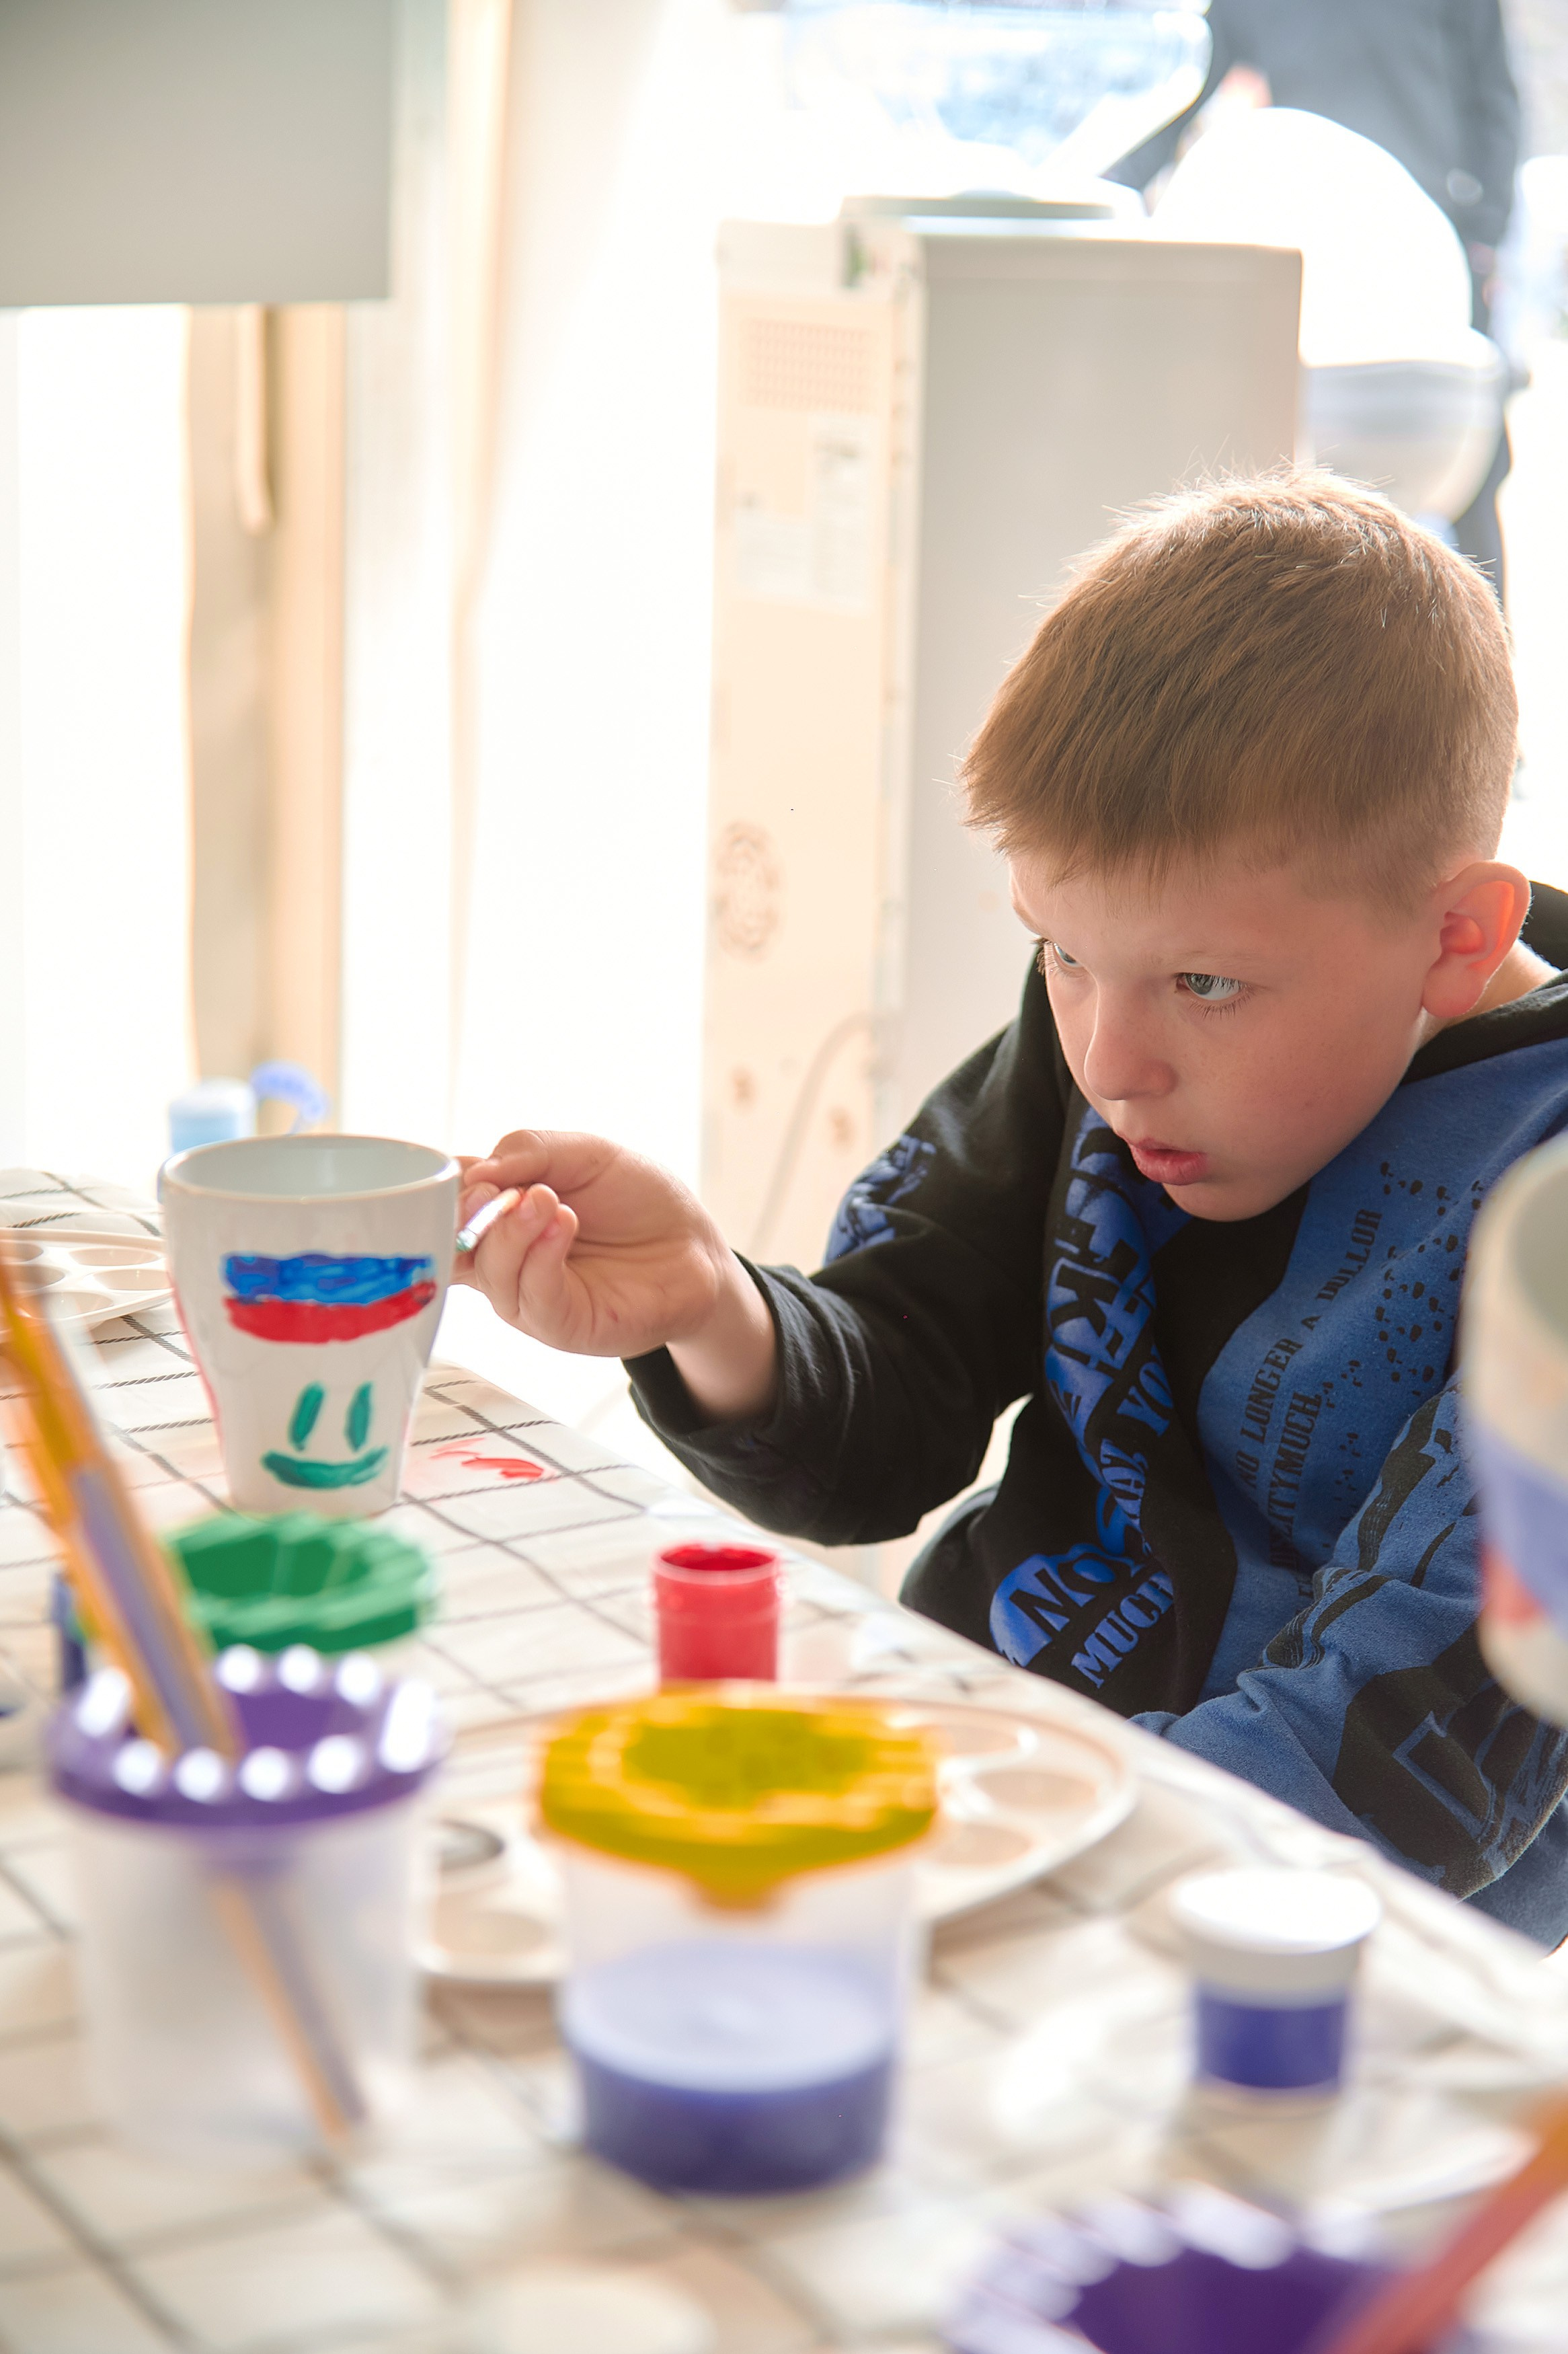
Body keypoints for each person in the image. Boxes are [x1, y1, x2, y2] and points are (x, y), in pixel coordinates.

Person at [456, 477, 1568, 1944]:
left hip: (1258, 1922)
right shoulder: (1123, 1018)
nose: (1109, 1065)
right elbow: (887, 1403)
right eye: (1057, 951)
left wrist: (990, 1903)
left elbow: (1389, 1755)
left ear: (1452, 935)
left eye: (1205, 985)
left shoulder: (1535, 1195)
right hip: (982, 1769)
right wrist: (708, 1305)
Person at [1109, 0, 1522, 593]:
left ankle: (1488, 668)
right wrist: (1107, 192)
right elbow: (1181, 91)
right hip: (1319, 259)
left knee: (1471, 481)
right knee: (1303, 485)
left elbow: (1495, 101)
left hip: (1433, 261)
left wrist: (1485, 232)